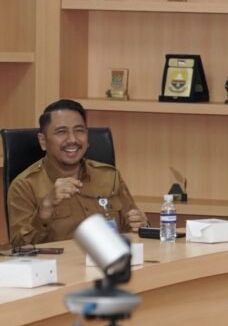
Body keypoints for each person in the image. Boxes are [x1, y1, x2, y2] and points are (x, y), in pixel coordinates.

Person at [8, 99, 147, 246]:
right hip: (59, 261)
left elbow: (132, 229)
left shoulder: (109, 176)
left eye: (79, 130)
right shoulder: (24, 186)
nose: (72, 139)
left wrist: (141, 224)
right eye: (61, 132)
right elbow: (18, 247)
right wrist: (44, 210)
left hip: (109, 258)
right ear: (43, 141)